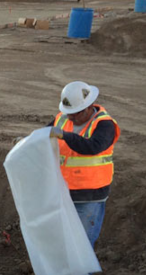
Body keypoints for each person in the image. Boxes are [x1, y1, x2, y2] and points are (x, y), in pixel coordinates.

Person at [48, 81, 120, 253]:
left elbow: (92, 147)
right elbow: (45, 135)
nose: (70, 117)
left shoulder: (104, 125)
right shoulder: (62, 118)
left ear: (88, 107)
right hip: (64, 191)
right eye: (69, 113)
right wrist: (26, 143)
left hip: (90, 196)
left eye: (74, 114)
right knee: (62, 240)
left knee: (82, 244)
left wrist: (64, 135)